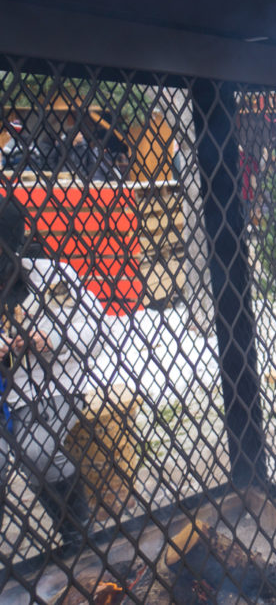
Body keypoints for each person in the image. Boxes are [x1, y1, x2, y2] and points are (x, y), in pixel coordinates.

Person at [0, 197, 102, 553]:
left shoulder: (52, 276)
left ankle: (77, 532)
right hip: (6, 395)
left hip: (53, 387)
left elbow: (94, 330)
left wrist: (53, 339)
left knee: (37, 453)